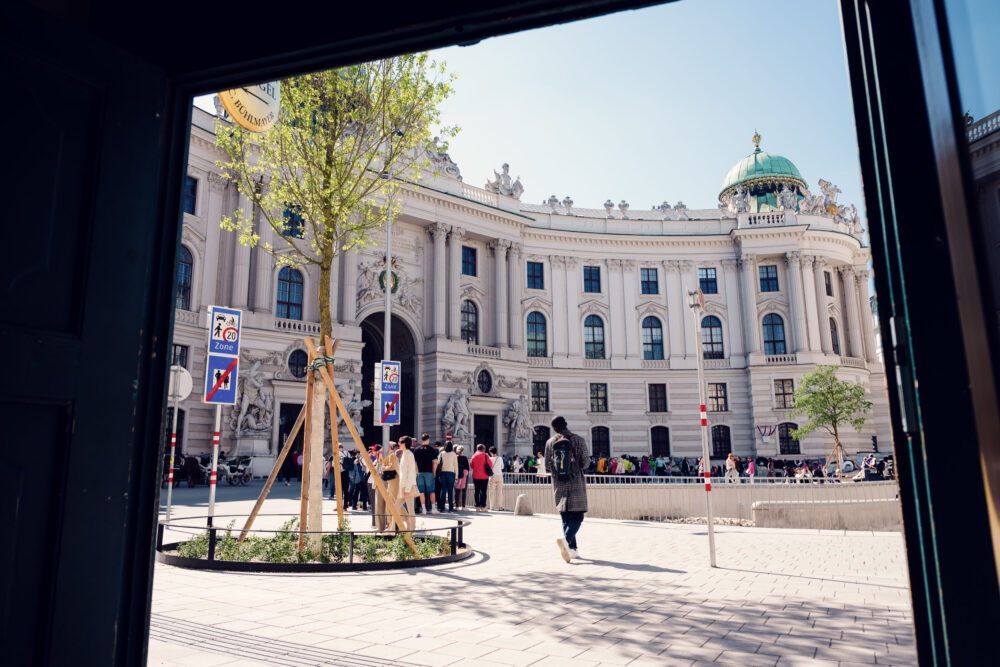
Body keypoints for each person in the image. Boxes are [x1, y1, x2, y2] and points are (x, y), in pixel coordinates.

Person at [545, 416, 589, 562]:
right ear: (566, 425)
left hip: (559, 484)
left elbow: (546, 466)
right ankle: (567, 540)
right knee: (578, 516)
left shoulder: (550, 442)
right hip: (576, 481)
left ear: (554, 428)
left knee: (566, 517)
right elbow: (585, 463)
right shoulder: (578, 440)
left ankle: (572, 549)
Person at [396, 436, 418, 533]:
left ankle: (411, 530)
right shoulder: (405, 454)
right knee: (395, 507)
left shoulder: (409, 454)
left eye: (400, 443)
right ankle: (402, 528)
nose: (398, 444)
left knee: (410, 510)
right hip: (404, 486)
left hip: (408, 486)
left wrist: (407, 488)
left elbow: (411, 472)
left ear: (404, 444)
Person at [375, 443, 399, 532]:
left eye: (381, 450)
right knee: (382, 506)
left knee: (389, 505)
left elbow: (388, 467)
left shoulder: (391, 455)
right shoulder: (383, 457)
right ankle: (384, 526)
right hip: (384, 482)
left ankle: (390, 525)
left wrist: (383, 463)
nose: (379, 452)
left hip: (388, 482)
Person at [412, 434, 438, 514]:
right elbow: (435, 462)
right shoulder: (431, 449)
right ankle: (433, 508)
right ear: (428, 439)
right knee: (431, 491)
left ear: (422, 439)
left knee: (421, 491)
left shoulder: (417, 449)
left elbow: (415, 462)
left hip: (419, 472)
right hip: (429, 472)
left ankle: (423, 509)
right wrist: (434, 471)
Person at [469, 444, 492, 511]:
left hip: (476, 476)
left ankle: (477, 506)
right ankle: (483, 506)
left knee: (476, 491)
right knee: (483, 492)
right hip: (484, 476)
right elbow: (490, 464)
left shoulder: (474, 456)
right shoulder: (485, 456)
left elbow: (471, 465)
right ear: (483, 449)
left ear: (477, 449)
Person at [437, 440, 458, 512]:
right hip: (451, 473)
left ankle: (442, 508)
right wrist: (457, 476)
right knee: (450, 491)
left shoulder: (442, 453)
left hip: (443, 473)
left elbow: (438, 463)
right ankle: (450, 508)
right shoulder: (454, 454)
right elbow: (456, 465)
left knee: (443, 491)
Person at [487, 446, 505, 510]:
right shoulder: (500, 458)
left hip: (492, 476)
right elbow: (502, 467)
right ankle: (500, 506)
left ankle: (492, 507)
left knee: (492, 492)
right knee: (500, 492)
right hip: (500, 475)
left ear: (491, 452)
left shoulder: (489, 459)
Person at [455, 444, 470, 509]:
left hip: (457, 475)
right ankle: (463, 506)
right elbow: (467, 468)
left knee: (457, 492)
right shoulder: (465, 458)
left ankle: (457, 506)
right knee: (464, 491)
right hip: (464, 476)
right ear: (462, 451)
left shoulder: (455, 458)